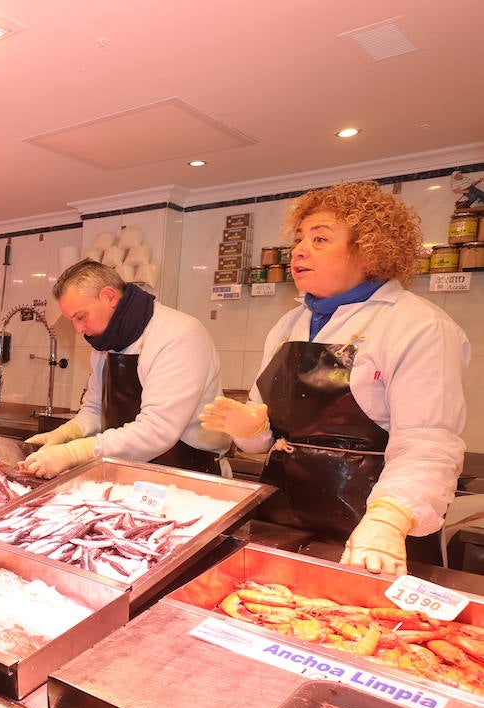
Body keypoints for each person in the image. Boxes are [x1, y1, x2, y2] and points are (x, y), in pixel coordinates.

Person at [200, 181, 469, 575]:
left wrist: (389, 520)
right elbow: (268, 440)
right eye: (298, 239)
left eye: (320, 238)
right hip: (282, 521)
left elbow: (428, 443)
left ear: (369, 249)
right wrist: (250, 430)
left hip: (372, 530)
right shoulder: (288, 325)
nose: (300, 250)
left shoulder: (418, 324)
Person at [18, 261, 230, 479]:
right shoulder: (105, 342)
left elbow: (157, 430)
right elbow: (94, 410)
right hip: (131, 475)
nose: (79, 329)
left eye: (81, 317)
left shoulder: (178, 336)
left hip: (190, 478)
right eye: (73, 320)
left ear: (109, 297)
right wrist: (66, 433)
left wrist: (73, 452)